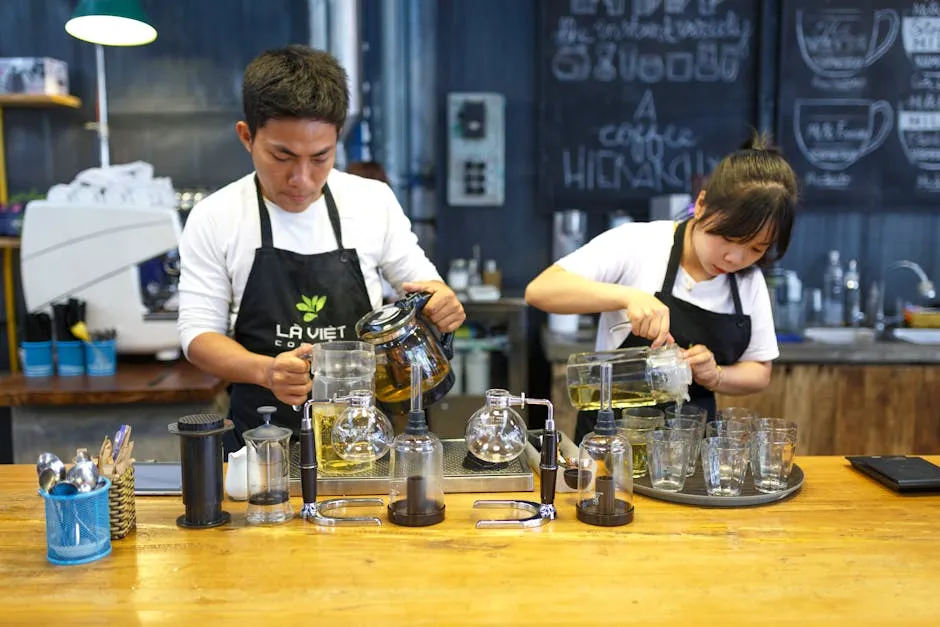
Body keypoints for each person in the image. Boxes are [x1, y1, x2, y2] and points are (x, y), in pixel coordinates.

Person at [177, 45, 465, 452]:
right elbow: (198, 336)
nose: (302, 179)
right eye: (282, 156)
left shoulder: (371, 201)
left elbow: (419, 283)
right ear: (247, 137)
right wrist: (266, 371)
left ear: (337, 140)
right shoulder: (216, 216)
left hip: (363, 435)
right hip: (260, 439)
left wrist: (441, 298)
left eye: (320, 157)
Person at [525, 133, 797, 442]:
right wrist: (627, 296)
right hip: (613, 442)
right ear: (702, 203)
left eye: (755, 249)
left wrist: (716, 375)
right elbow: (540, 289)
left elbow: (759, 371)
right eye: (727, 238)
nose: (735, 258)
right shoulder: (640, 243)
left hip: (689, 452)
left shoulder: (749, 282)